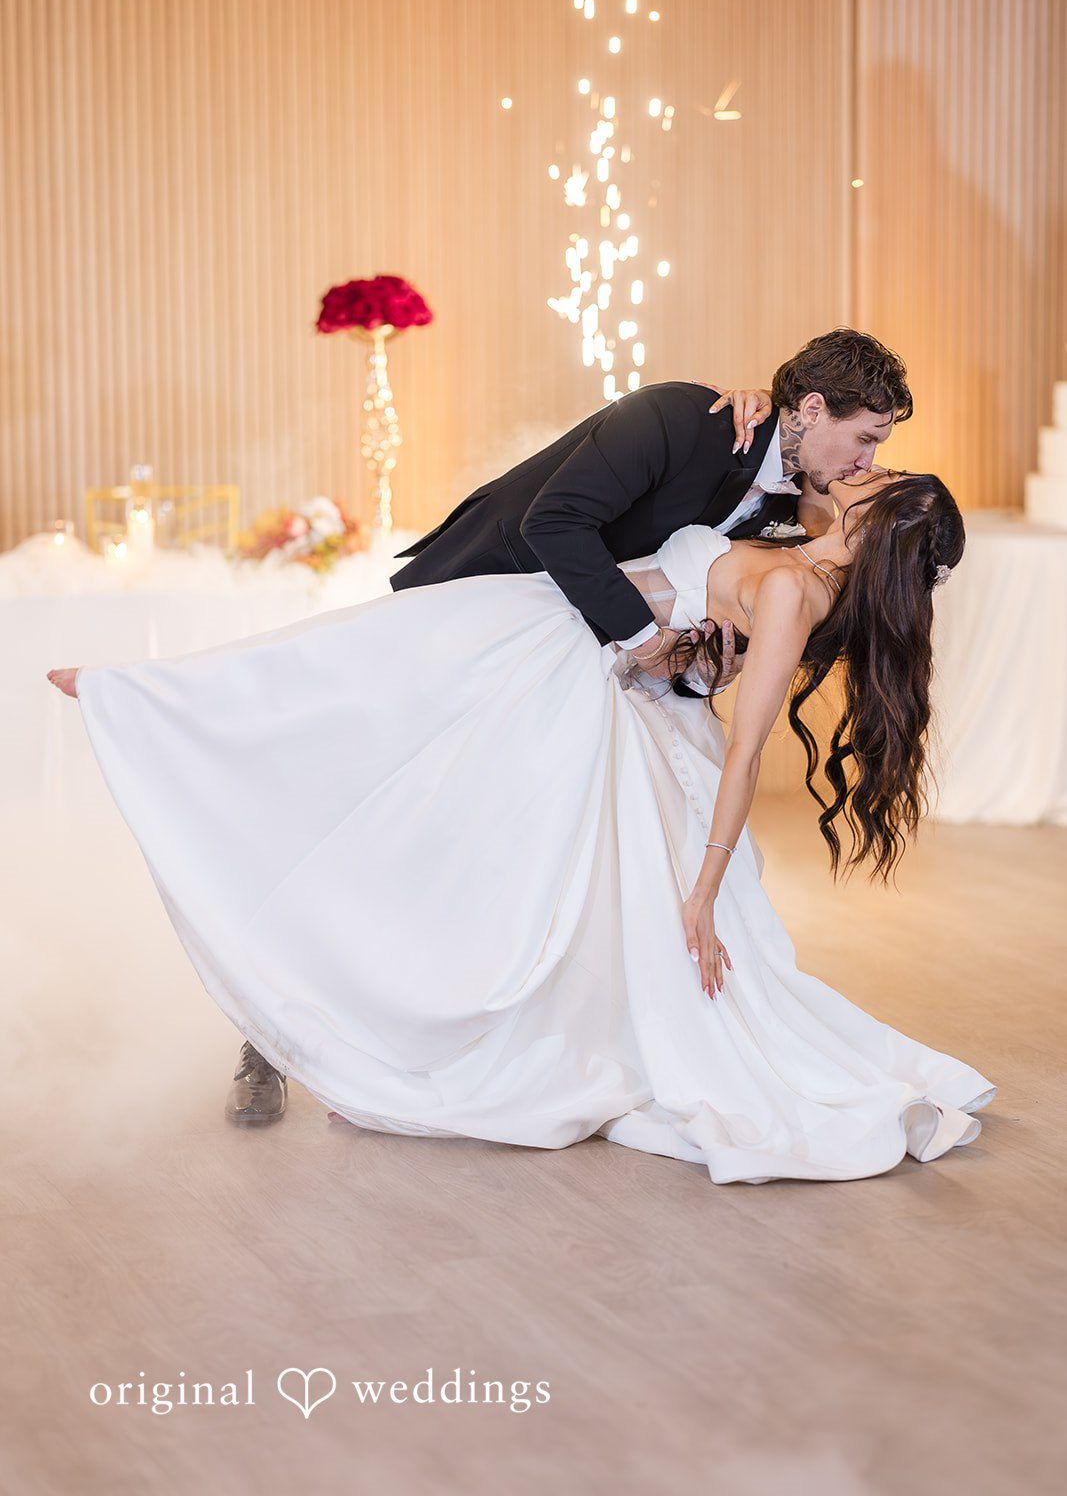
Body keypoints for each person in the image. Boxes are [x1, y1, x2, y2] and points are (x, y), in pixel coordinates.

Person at [47, 340, 998, 1184]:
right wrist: (647, 643)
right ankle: (268, 1005)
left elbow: (727, 641)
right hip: (497, 608)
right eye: (863, 439)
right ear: (807, 408)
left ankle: (385, 1045)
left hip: (576, 678)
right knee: (336, 753)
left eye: (877, 454)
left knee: (464, 863)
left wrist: (693, 659)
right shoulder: (687, 419)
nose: (865, 461)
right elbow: (556, 524)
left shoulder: (798, 519)